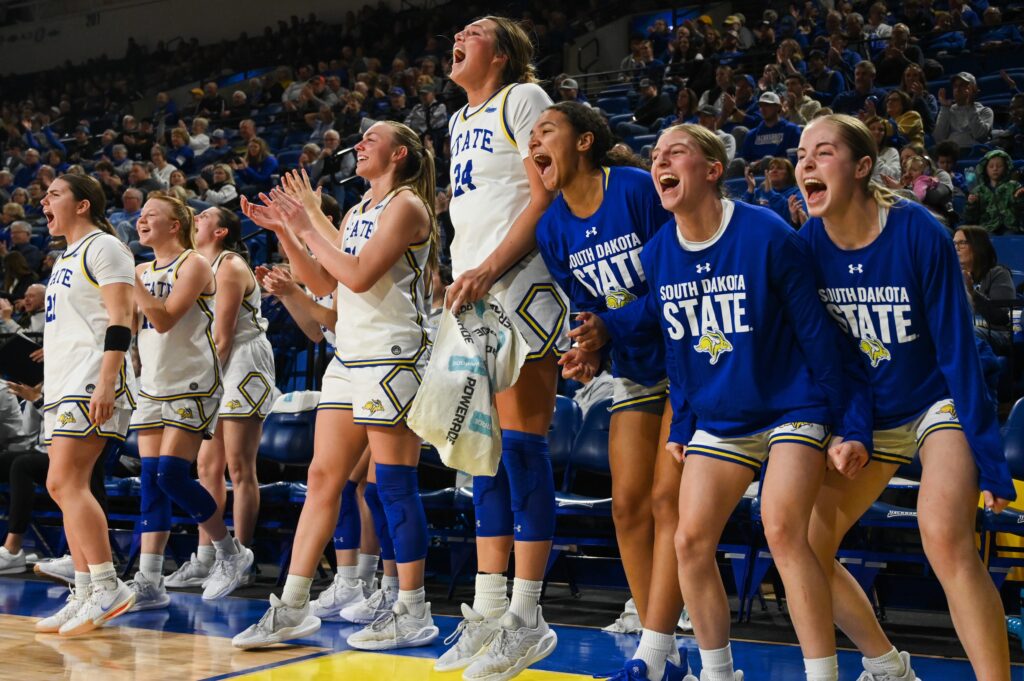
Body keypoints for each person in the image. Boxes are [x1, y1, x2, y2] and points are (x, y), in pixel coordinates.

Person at [575, 123, 870, 681]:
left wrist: (847, 421)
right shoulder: (661, 251)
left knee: (783, 528)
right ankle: (717, 672)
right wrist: (682, 424)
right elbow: (678, 350)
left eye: (676, 152)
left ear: (712, 170)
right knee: (688, 538)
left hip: (793, 405)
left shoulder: (765, 233)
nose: (660, 160)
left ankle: (822, 675)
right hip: (722, 415)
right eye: (656, 154)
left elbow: (819, 337)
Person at [796, 113, 1015, 681]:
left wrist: (991, 464)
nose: (806, 165)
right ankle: (887, 664)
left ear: (863, 167)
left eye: (823, 152)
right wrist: (853, 430)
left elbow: (959, 354)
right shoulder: (807, 246)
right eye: (801, 155)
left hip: (934, 401)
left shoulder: (920, 232)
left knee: (944, 537)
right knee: (802, 543)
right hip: (870, 407)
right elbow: (834, 358)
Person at [233, 121, 439, 651]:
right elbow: (326, 282)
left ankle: (413, 609)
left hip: (394, 357)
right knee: (323, 478)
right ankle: (293, 605)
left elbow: (359, 275)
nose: (360, 143)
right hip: (350, 354)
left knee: (392, 484)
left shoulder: (408, 207)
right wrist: (289, 232)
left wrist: (308, 221)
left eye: (372, 138)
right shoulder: (356, 212)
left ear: (397, 153)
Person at [528, 101, 684, 681]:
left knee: (667, 502)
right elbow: (590, 306)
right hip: (636, 367)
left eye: (547, 130)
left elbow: (681, 272)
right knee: (626, 507)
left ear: (585, 141)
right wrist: (589, 347)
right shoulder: (552, 228)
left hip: (688, 362)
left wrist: (610, 329)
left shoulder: (638, 191)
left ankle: (656, 646)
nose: (535, 141)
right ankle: (659, 647)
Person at [435, 16, 569, 680]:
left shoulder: (524, 99)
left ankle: (529, 614)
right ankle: (488, 609)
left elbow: (546, 193)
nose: (459, 36)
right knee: (480, 458)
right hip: (475, 292)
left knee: (520, 447)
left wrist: (487, 267)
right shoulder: (461, 120)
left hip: (520, 282)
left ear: (503, 52)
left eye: (475, 30)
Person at [127, 194, 252, 611]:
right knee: (150, 481)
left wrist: (133, 283)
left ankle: (230, 551)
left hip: (192, 382)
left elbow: (163, 319)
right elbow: (134, 329)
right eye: (140, 216)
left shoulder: (193, 264)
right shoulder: (142, 269)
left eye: (151, 216)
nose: (141, 221)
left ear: (174, 225)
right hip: (154, 383)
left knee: (171, 476)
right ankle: (149, 579)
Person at [36, 174, 138, 635]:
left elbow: (121, 320)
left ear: (83, 204)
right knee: (62, 487)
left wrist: (106, 382)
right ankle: (84, 590)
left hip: (93, 377)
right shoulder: (64, 256)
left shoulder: (105, 247)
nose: (44, 201)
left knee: (66, 481)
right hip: (64, 381)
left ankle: (106, 583)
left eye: (54, 194)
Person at [162, 206, 274, 591]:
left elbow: (223, 335)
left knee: (240, 466)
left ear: (222, 230)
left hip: (243, 360)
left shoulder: (229, 265)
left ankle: (243, 556)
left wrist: (200, 380)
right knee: (207, 466)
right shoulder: (193, 264)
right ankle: (209, 555)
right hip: (213, 362)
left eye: (205, 215)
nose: (196, 216)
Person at [955, 226, 1015, 355]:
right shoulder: (950, 276)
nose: (956, 247)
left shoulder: (998, 273)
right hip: (964, 332)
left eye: (962, 243)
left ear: (978, 247)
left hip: (996, 334)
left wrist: (971, 292)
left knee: (966, 332)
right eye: (954, 243)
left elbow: (1002, 317)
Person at [963, 149, 1024, 234]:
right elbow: (970, 218)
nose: (995, 169)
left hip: (1010, 227)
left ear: (1006, 167)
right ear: (985, 169)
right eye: (991, 166)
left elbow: (1020, 210)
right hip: (987, 228)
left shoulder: (1014, 186)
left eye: (999, 166)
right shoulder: (979, 190)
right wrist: (971, 204)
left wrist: (1019, 198)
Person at [934, 72, 993, 150]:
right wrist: (944, 107)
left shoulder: (985, 111)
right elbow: (939, 138)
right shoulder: (948, 110)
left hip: (973, 152)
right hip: (951, 153)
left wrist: (970, 105)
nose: (958, 89)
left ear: (973, 89)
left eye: (963, 85)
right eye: (955, 86)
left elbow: (979, 135)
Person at [742, 156, 802, 225]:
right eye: (771, 168)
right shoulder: (759, 191)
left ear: (789, 174)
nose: (774, 170)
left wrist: (770, 194)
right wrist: (750, 189)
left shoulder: (796, 193)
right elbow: (743, 212)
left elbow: (791, 218)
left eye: (779, 168)